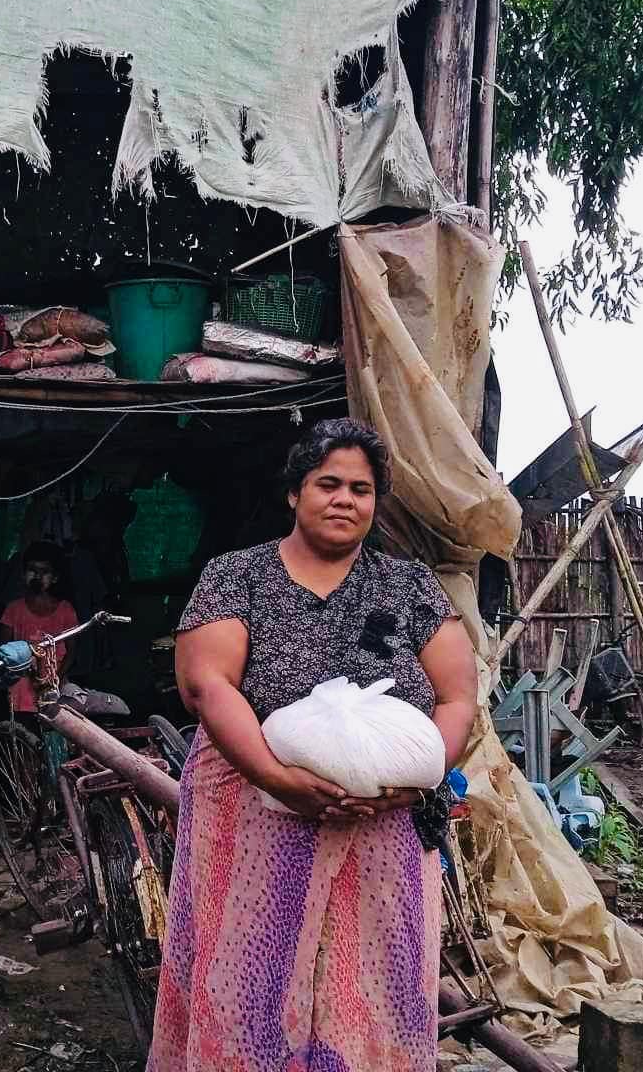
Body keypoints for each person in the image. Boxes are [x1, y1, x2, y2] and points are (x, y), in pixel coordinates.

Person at [147, 418, 478, 1072]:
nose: (344, 499)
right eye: (328, 484)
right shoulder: (238, 576)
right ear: (295, 492)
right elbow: (208, 686)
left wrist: (417, 779)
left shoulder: (408, 586)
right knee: (248, 973)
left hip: (384, 823)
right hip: (253, 810)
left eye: (361, 489)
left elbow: (457, 696)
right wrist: (277, 779)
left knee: (374, 978)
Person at [0, 541, 79, 714]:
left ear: (55, 578)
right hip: (21, 691)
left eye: (44, 572)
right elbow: (5, 652)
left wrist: (55, 679)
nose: (37, 576)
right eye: (32, 570)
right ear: (23, 575)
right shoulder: (13, 610)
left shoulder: (66, 610)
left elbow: (72, 652)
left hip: (55, 687)